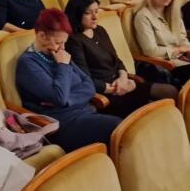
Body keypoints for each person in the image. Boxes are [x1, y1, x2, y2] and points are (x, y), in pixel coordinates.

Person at [16, 9, 121, 152]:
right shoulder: (28, 63)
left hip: (85, 113)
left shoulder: (59, 53)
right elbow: (59, 97)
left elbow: (89, 86)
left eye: (64, 43)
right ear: (41, 35)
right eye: (58, 42)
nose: (62, 48)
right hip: (62, 124)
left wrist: (68, 101)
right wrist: (63, 66)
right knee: (118, 129)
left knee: (127, 128)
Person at [65, 0, 178, 118]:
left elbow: (117, 60)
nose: (95, 17)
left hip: (121, 82)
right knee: (157, 111)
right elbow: (85, 79)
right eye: (88, 13)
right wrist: (116, 88)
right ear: (76, 14)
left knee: (170, 91)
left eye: (96, 11)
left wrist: (123, 78)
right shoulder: (73, 41)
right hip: (107, 92)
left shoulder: (100, 30)